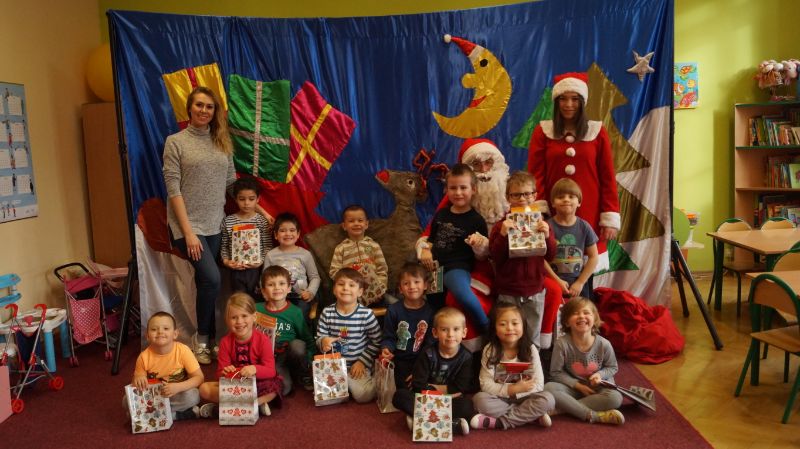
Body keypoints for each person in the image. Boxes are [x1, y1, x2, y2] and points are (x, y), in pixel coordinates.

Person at [162, 86, 234, 364]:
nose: (204, 110)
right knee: (212, 278)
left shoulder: (222, 142)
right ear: (190, 109)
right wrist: (188, 232)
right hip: (187, 227)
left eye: (209, 106)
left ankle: (211, 339)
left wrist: (260, 209)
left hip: (215, 224)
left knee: (207, 282)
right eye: (199, 105)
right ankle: (201, 338)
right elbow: (173, 190)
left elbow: (231, 182)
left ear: (215, 112)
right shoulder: (175, 142)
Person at [528, 72, 620, 275]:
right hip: (553, 212)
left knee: (587, 268)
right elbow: (536, 176)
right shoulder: (543, 132)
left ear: (582, 102)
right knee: (554, 265)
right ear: (556, 101)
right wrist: (539, 210)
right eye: (563, 99)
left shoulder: (597, 132)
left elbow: (607, 177)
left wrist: (609, 216)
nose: (568, 104)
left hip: (589, 211)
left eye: (574, 99)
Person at [418, 163, 490, 333]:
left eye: (463, 188)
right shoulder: (441, 214)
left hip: (457, 267)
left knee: (463, 295)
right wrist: (426, 250)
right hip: (435, 269)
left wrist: (478, 243)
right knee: (434, 306)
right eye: (453, 188)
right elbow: (431, 240)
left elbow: (483, 254)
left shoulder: (477, 220)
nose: (458, 193)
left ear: (473, 189)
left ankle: (487, 328)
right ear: (446, 190)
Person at [489, 171, 557, 349]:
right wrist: (502, 235)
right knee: (507, 335)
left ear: (535, 195)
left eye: (527, 194)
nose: (522, 199)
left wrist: (547, 236)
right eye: (516, 195)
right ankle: (506, 364)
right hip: (508, 290)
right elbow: (495, 257)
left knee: (532, 336)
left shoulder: (542, 224)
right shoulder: (500, 226)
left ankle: (532, 364)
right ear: (508, 197)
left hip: (535, 290)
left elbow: (550, 256)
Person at [470, 303, 554, 430]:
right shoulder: (490, 350)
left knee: (548, 399)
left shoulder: (530, 349)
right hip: (499, 398)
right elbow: (485, 384)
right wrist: (511, 389)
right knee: (479, 400)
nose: (509, 328)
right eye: (502, 324)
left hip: (526, 397)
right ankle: (531, 416)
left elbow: (538, 384)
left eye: (515, 323)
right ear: (494, 328)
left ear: (523, 326)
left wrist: (521, 390)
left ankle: (500, 423)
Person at [391, 307, 474, 437]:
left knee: (467, 406)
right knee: (399, 396)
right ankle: (449, 424)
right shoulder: (428, 353)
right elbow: (418, 384)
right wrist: (442, 391)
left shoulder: (466, 357)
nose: (450, 334)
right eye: (444, 329)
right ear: (435, 333)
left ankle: (419, 420)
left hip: (449, 400)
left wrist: (432, 387)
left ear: (464, 332)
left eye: (456, 329)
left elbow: (461, 387)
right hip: (426, 399)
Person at [198, 292, 282, 418]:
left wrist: (255, 369)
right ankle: (255, 405)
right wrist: (225, 372)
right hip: (234, 386)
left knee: (275, 386)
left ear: (254, 317)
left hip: (257, 384)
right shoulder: (225, 342)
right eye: (234, 318)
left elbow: (271, 371)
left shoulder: (263, 340)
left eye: (244, 316)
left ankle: (238, 405)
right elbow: (219, 374)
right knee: (204, 389)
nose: (239, 321)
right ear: (227, 320)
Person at [544, 297, 624, 425]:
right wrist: (577, 385)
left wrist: (599, 375)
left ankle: (563, 409)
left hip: (598, 389)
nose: (581, 316)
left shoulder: (604, 344)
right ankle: (593, 415)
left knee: (615, 398)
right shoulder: (561, 344)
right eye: (575, 313)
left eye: (586, 313)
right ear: (566, 322)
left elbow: (612, 367)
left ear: (595, 319)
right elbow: (556, 373)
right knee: (548, 388)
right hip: (573, 388)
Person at [316, 268, 382, 403]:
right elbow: (319, 337)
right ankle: (343, 387)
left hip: (357, 365)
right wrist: (323, 341)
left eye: (351, 285)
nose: (346, 288)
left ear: (360, 292)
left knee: (363, 396)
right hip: (334, 364)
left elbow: (377, 341)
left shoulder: (366, 314)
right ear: (334, 289)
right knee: (325, 399)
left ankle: (358, 381)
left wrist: (362, 362)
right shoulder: (327, 312)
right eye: (341, 284)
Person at [128, 312, 204, 421]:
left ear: (175, 334)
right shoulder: (143, 357)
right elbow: (135, 383)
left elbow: (199, 378)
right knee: (126, 401)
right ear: (147, 335)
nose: (160, 332)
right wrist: (138, 378)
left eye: (166, 328)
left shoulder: (183, 351)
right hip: (153, 397)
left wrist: (178, 387)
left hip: (177, 394)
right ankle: (175, 415)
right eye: (154, 329)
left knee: (193, 396)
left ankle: (153, 416)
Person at [256, 265, 316, 394]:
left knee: (298, 345)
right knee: (284, 390)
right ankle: (283, 376)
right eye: (271, 285)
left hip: (288, 355)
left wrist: (310, 363)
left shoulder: (295, 312)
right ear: (264, 291)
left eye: (281, 283)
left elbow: (307, 339)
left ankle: (302, 373)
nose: (277, 288)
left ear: (289, 288)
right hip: (267, 358)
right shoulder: (256, 309)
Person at [380, 262, 435, 389]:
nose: (412, 286)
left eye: (416, 282)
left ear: (425, 285)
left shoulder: (431, 312)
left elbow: (430, 343)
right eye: (406, 283)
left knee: (422, 386)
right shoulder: (393, 310)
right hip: (400, 360)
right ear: (400, 288)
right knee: (402, 389)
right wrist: (387, 348)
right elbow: (389, 336)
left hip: (422, 360)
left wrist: (419, 368)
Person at [544, 178, 598, 300]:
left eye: (571, 196)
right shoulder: (546, 227)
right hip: (552, 283)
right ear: (552, 203)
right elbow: (540, 259)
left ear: (579, 202)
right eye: (560, 197)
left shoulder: (584, 227)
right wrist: (556, 280)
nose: (566, 199)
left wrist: (580, 282)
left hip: (578, 284)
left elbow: (594, 257)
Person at [220, 176, 272, 301]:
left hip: (257, 271)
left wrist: (261, 261)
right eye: (242, 199)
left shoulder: (261, 221)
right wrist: (226, 261)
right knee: (240, 302)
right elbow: (224, 246)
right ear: (235, 199)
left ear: (258, 199)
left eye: (251, 199)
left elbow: (268, 245)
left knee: (257, 302)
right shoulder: (228, 221)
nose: (246, 203)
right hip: (236, 271)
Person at [329, 205, 390, 306]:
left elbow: (382, 270)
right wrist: (347, 282)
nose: (356, 224)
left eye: (360, 220)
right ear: (344, 226)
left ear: (366, 224)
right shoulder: (340, 248)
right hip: (350, 292)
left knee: (392, 304)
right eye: (351, 221)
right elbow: (333, 272)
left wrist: (380, 289)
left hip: (374, 291)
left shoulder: (373, 246)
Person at [264, 212, 320, 319]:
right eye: (282, 231)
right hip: (278, 296)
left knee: (299, 315)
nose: (287, 234)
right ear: (275, 235)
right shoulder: (271, 255)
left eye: (292, 230)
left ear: (298, 234)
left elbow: (315, 277)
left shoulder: (305, 254)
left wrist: (310, 292)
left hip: (300, 297)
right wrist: (267, 295)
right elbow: (264, 279)